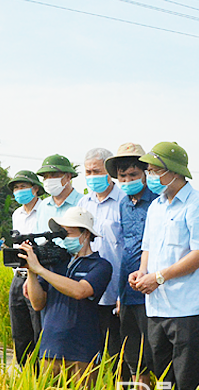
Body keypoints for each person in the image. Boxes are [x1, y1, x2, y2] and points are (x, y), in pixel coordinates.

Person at [131, 141, 199, 390]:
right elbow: (148, 247)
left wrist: (159, 277)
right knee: (164, 376)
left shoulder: (198, 205)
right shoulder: (156, 207)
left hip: (187, 308)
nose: (150, 177)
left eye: (155, 171)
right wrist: (142, 272)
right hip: (157, 307)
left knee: (186, 378)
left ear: (175, 172)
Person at [22, 207, 113, 387]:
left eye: (69, 233)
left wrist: (40, 269)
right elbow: (37, 303)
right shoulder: (56, 264)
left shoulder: (100, 266)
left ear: (85, 234)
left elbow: (80, 291)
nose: (64, 238)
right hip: (50, 349)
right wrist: (31, 272)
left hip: (83, 351)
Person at [107, 142, 157, 390]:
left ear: (146, 173)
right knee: (134, 356)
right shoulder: (124, 205)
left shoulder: (158, 203)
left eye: (133, 176)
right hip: (127, 292)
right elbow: (125, 250)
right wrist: (118, 294)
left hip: (153, 291)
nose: (128, 181)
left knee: (156, 356)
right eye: (123, 177)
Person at [78, 147, 125, 365]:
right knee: (88, 354)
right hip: (87, 290)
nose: (91, 177)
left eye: (96, 171)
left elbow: (132, 251)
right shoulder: (83, 204)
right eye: (88, 172)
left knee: (118, 355)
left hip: (116, 291)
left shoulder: (124, 202)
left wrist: (123, 293)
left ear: (109, 171)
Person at [8, 170, 46, 365]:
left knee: (38, 327)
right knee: (19, 329)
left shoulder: (46, 210)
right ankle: (25, 374)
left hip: (38, 277)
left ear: (35, 188)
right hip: (18, 275)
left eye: (23, 187)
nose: (19, 191)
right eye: (16, 188)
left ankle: (43, 374)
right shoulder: (17, 214)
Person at [36, 154, 83, 224]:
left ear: (68, 177)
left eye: (54, 175)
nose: (49, 180)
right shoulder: (43, 206)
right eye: (45, 177)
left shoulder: (83, 203)